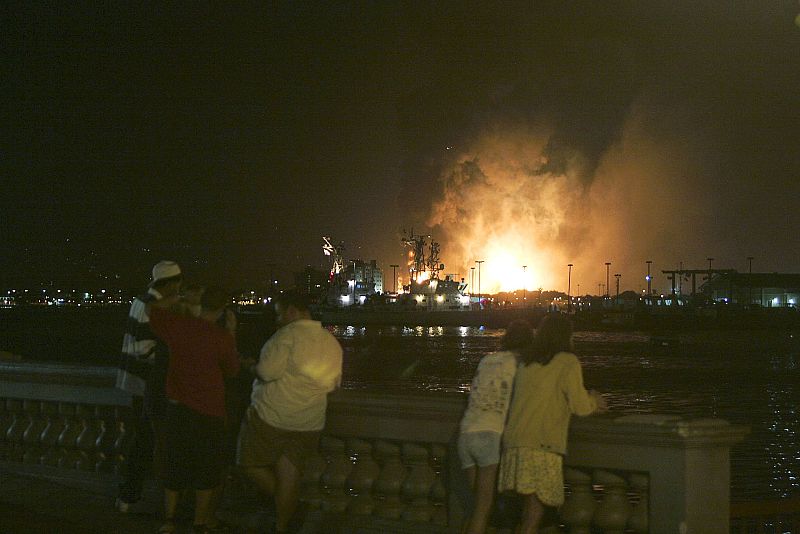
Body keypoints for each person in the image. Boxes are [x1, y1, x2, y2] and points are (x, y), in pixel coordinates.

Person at [237, 291, 343, 533]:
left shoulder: (285, 336)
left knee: (247, 463)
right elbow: (333, 383)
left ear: (292, 311)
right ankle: (283, 525)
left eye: (278, 313)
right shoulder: (331, 342)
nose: (277, 320)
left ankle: (286, 506)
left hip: (272, 416)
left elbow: (266, 372)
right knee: (290, 474)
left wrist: (250, 366)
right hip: (309, 420)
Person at [498, 313, 607, 534]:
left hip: (515, 444)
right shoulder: (568, 361)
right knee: (535, 515)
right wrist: (596, 401)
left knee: (527, 512)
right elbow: (580, 406)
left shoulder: (527, 362)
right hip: (541, 447)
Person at [148, 286, 241, 534]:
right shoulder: (220, 336)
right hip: (209, 411)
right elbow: (232, 370)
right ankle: (199, 523)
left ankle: (170, 520)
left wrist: (179, 297)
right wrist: (231, 331)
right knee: (207, 468)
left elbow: (153, 309)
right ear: (222, 310)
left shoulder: (178, 327)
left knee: (175, 463)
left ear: (200, 303)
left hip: (178, 409)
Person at [115, 260, 182, 512]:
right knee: (144, 441)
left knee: (143, 440)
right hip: (145, 384)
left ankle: (130, 495)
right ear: (173, 283)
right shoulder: (148, 305)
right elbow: (143, 348)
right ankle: (130, 495)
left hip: (139, 383)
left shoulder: (142, 301)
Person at [457, 320, 533, 534]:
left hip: (466, 434)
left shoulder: (487, 360)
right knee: (484, 508)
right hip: (489, 435)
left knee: (474, 506)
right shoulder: (520, 365)